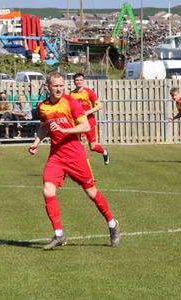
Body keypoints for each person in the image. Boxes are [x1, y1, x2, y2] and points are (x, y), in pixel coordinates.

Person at [28, 72, 120, 250]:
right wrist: (36, 142)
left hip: (76, 155)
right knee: (47, 189)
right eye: (55, 86)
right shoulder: (43, 107)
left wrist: (64, 130)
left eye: (62, 85)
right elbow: (44, 127)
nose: (59, 89)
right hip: (56, 156)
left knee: (92, 193)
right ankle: (59, 234)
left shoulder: (71, 102)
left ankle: (112, 224)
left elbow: (85, 126)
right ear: (47, 87)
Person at [70, 73, 109, 165]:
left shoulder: (88, 92)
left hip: (90, 122)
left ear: (83, 81)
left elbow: (100, 106)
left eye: (81, 80)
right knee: (77, 146)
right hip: (78, 123)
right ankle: (80, 166)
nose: (79, 82)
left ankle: (104, 152)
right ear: (74, 81)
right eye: (77, 80)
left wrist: (87, 112)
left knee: (93, 147)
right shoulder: (71, 94)